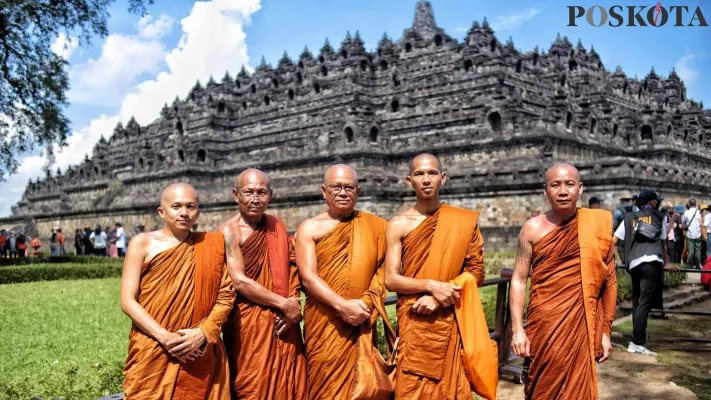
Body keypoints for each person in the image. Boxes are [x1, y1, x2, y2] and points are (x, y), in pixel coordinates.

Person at [384, 153, 497, 399]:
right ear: (408, 181)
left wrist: (438, 296)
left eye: (432, 173)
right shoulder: (399, 224)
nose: (426, 180)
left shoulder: (463, 222)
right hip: (415, 321)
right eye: (419, 174)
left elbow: (475, 273)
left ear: (443, 178)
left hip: (450, 318)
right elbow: (390, 279)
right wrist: (430, 285)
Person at [510, 163, 617, 400]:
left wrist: (605, 331)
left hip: (582, 326)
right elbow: (518, 280)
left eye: (569, 184)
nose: (563, 191)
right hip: (545, 327)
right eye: (555, 185)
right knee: (542, 388)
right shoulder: (532, 229)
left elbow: (609, 281)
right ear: (545, 191)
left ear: (580, 188)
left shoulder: (596, 225)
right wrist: (518, 330)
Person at [121, 183, 235, 399]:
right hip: (154, 345)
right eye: (176, 206)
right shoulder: (142, 243)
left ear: (198, 211)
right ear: (162, 212)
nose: (184, 213)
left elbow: (226, 297)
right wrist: (166, 338)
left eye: (191, 206)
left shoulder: (213, 245)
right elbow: (128, 301)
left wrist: (202, 333)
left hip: (200, 347)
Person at [295, 164, 387, 400]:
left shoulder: (377, 227)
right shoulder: (309, 228)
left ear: (358, 191)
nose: (343, 192)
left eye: (348, 187)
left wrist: (366, 302)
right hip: (325, 322)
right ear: (324, 191)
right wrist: (342, 306)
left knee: (364, 384)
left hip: (361, 319)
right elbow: (308, 277)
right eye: (336, 187)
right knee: (325, 384)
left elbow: (385, 269)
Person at [219, 169, 307, 399]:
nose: (255, 198)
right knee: (253, 385)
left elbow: (292, 268)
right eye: (248, 192)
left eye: (261, 192)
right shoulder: (229, 231)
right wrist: (283, 304)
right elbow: (238, 281)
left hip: (285, 320)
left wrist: (292, 307)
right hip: (248, 324)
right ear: (235, 195)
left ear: (271, 195)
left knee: (291, 384)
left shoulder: (276, 225)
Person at [614, 189, 678, 356]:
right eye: (656, 200)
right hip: (651, 262)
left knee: (637, 301)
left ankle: (637, 339)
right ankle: (638, 342)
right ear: (652, 202)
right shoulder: (660, 217)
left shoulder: (628, 218)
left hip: (634, 263)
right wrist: (667, 262)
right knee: (644, 303)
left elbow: (614, 239)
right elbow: (664, 243)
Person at [682, 198, 702, 269]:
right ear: (695, 204)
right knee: (698, 250)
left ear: (689, 204)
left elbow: (683, 221)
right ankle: (697, 265)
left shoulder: (686, 213)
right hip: (698, 234)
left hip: (690, 234)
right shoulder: (699, 212)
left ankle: (690, 265)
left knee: (690, 250)